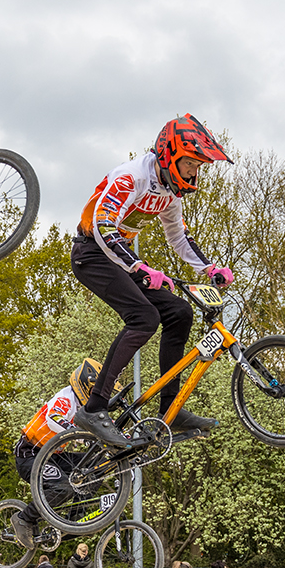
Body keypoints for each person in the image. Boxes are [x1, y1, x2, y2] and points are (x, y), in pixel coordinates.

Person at [70, 115, 235, 448]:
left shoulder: (169, 193)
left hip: (120, 256)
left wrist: (209, 268)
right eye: (191, 163)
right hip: (91, 254)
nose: (194, 172)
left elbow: (177, 236)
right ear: (170, 155)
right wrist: (140, 267)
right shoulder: (131, 177)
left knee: (179, 312)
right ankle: (95, 408)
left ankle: (169, 411)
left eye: (198, 166)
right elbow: (103, 228)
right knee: (144, 318)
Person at [9, 358, 122, 545]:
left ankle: (75, 516)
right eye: (93, 390)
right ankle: (24, 518)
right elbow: (53, 418)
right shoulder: (66, 397)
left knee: (95, 464)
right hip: (30, 455)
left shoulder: (83, 407)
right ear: (84, 384)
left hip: (52, 456)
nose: (95, 395)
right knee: (63, 487)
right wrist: (82, 435)